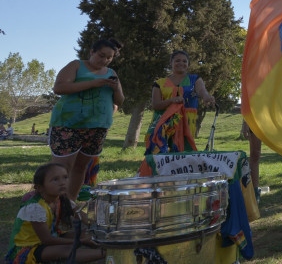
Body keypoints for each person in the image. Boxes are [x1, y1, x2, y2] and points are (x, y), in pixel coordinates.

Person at [48, 38, 124, 200]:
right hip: (68, 125)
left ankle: (70, 204)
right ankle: (54, 205)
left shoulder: (112, 73)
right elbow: (59, 88)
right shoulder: (76, 65)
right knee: (61, 168)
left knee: (80, 167)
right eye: (101, 55)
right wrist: (93, 83)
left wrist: (116, 88)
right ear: (92, 52)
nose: (104, 60)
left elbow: (119, 101)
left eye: (109, 58)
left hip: (98, 127)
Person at [5, 163, 105, 263]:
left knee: (87, 234)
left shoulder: (62, 200)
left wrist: (102, 231)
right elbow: (47, 240)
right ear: (39, 187)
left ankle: (110, 248)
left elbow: (86, 219)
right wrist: (81, 241)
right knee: (67, 249)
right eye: (55, 179)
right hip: (27, 249)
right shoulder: (35, 207)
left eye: (65, 177)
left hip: (47, 242)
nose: (62, 183)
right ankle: (109, 253)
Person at [139, 51, 215, 172]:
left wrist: (206, 97)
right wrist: (172, 100)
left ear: (188, 64)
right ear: (171, 62)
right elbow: (156, 105)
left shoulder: (195, 79)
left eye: (184, 61)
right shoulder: (159, 83)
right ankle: (158, 178)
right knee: (160, 151)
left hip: (186, 122)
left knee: (184, 151)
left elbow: (202, 91)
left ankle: (183, 180)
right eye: (177, 60)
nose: (181, 63)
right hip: (164, 123)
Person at [242, 121, 282, 202]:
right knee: (255, 154)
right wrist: (246, 122)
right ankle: (255, 192)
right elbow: (247, 107)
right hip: (257, 119)